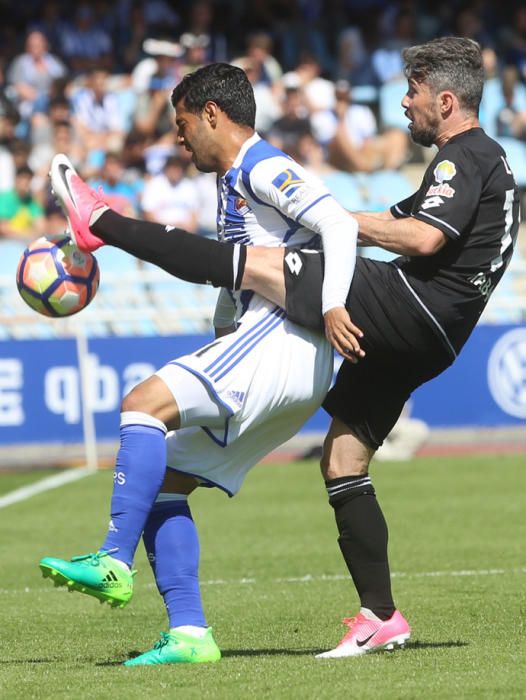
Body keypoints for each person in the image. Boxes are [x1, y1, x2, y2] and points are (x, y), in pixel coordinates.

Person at [43, 38, 520, 660]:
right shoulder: (490, 162)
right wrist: (329, 218)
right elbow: (390, 225)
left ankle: (100, 222)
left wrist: (326, 219)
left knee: (261, 263)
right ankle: (380, 616)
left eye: (414, 93)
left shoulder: (467, 155)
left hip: (414, 307)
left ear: (446, 100)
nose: (405, 104)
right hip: (434, 336)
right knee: (342, 460)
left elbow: (422, 240)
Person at [39, 62, 360, 665]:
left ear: (213, 113)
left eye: (183, 125)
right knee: (162, 483)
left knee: (141, 404)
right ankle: (189, 633)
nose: (179, 138)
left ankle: (112, 557)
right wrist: (224, 325)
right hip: (293, 363)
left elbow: (338, 223)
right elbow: (241, 268)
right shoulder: (233, 181)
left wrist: (336, 301)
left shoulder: (262, 164)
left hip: (283, 337)